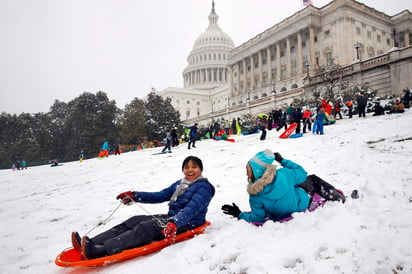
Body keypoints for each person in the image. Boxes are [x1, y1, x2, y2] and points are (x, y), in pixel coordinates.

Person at [71, 156, 215, 260]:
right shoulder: (180, 184)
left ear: (201, 169)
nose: (190, 170)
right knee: (135, 220)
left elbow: (192, 209)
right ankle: (93, 243)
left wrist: (174, 223)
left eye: (194, 167)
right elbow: (161, 195)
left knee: (147, 227)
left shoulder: (204, 187)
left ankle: (101, 250)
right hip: (173, 219)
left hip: (188, 223)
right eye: (187, 167)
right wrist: (135, 195)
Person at [221, 149, 345, 223]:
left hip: (279, 214)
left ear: (257, 172)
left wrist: (239, 214)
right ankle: (338, 198)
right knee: (312, 179)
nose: (246, 173)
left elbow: (257, 218)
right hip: (301, 203)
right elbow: (302, 172)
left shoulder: (255, 194)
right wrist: (282, 160)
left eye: (248, 170)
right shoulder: (284, 174)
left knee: (294, 183)